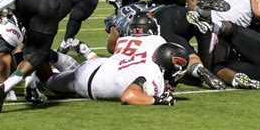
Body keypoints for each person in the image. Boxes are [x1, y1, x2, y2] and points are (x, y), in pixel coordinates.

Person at [105, 0, 226, 89]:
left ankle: (198, 69)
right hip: (177, 12)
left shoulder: (120, 14)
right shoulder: (145, 3)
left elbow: (112, 46)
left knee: (188, 57)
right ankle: (203, 13)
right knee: (202, 46)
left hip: (160, 23)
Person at [46, 39, 189, 106]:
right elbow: (129, 95)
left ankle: (53, 56)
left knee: (71, 73)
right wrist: (157, 100)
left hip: (98, 66)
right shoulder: (154, 75)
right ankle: (39, 57)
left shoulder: (148, 62)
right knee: (46, 81)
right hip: (88, 81)